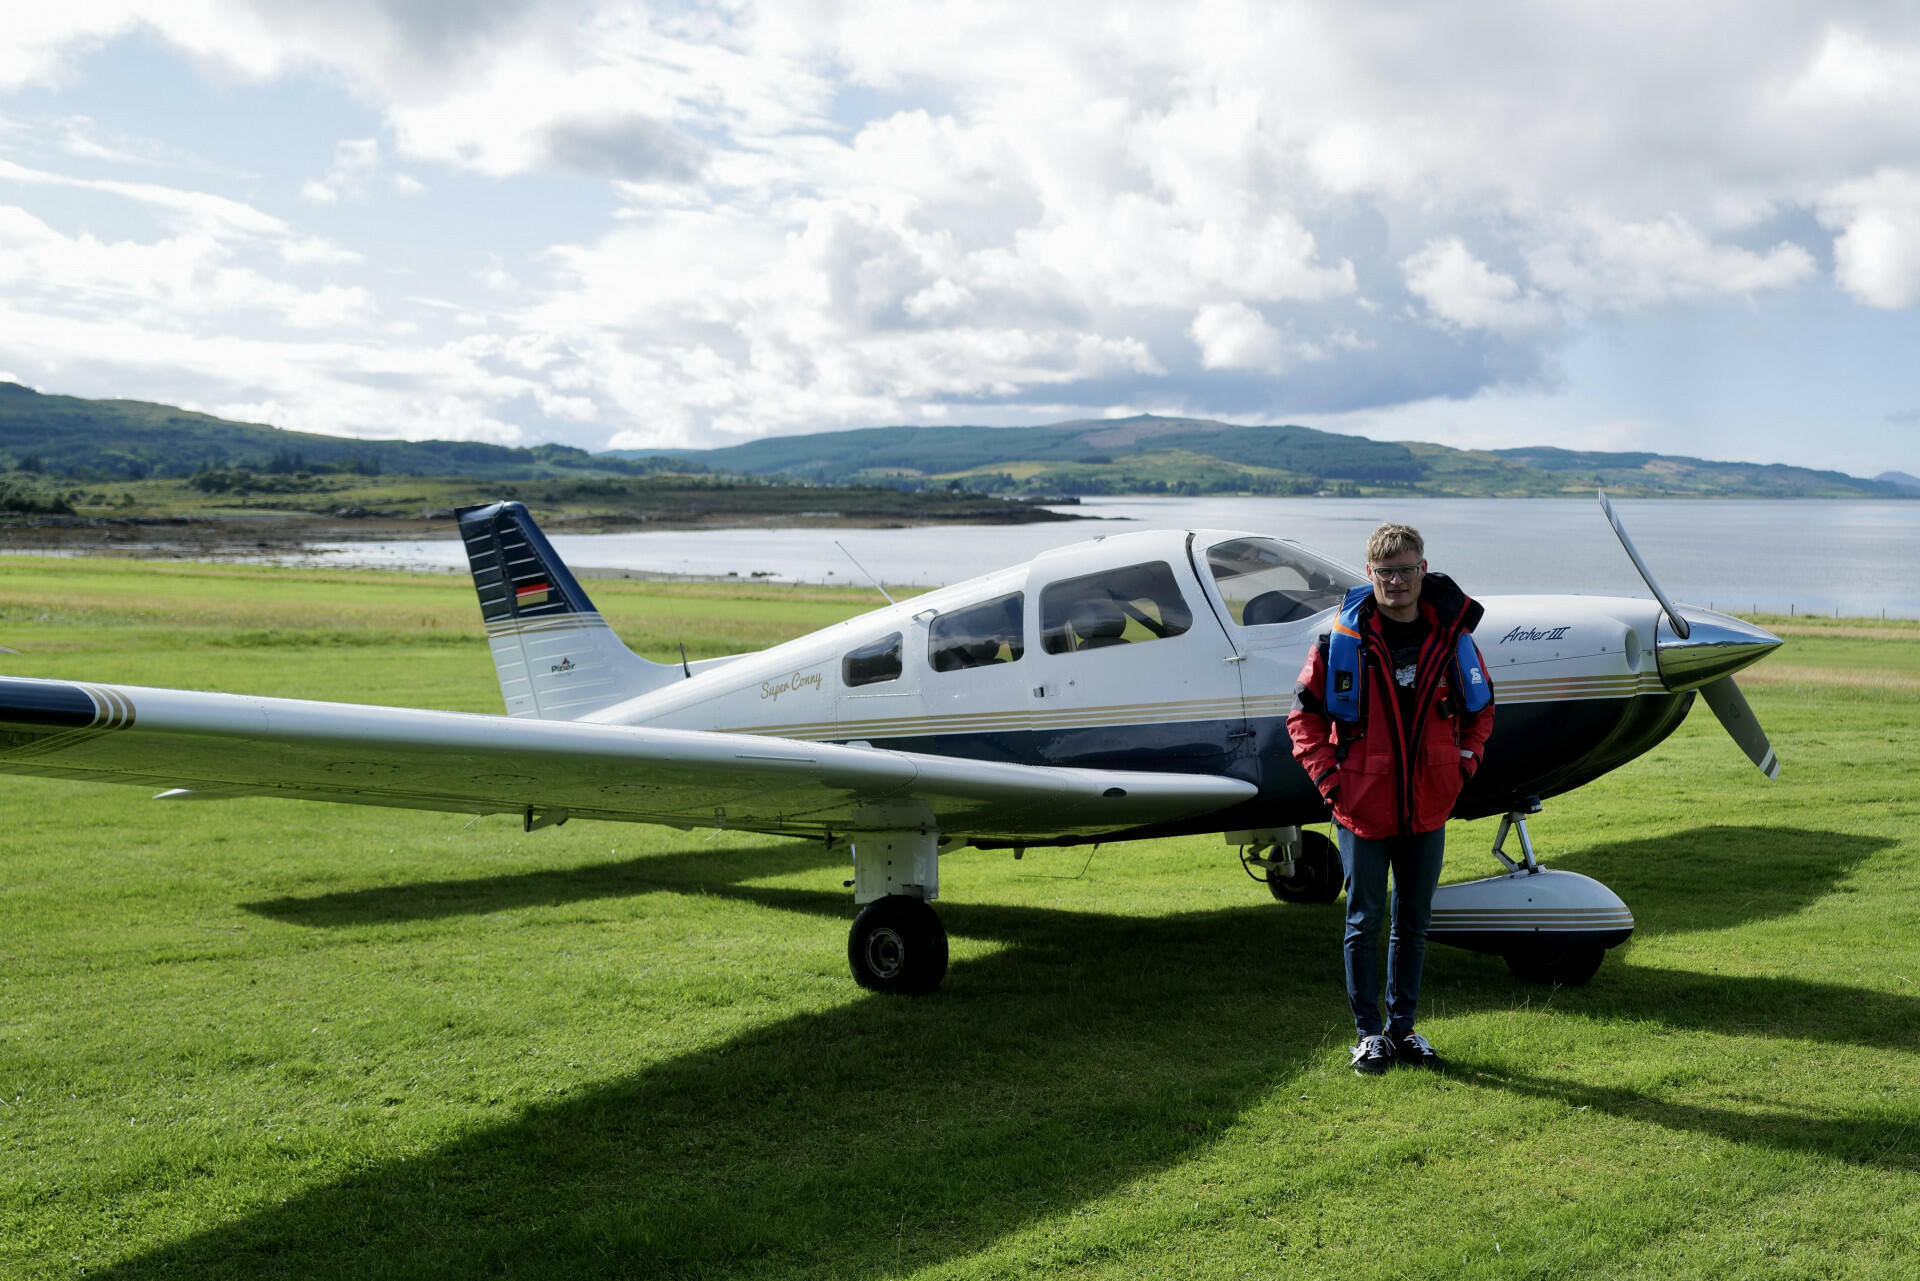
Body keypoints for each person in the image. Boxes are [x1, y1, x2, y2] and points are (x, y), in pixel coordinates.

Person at [1287, 523, 1494, 1075]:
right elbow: (1302, 719)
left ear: (1423, 569)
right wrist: (1332, 784)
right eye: (1384, 573)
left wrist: (1464, 765)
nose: (1396, 581)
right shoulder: (1339, 643)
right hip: (1362, 806)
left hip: (1429, 805)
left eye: (1405, 570)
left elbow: (1482, 709)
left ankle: (1403, 1030)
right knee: (1364, 918)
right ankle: (1367, 1034)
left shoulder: (1452, 638)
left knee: (1414, 921)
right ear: (1370, 575)